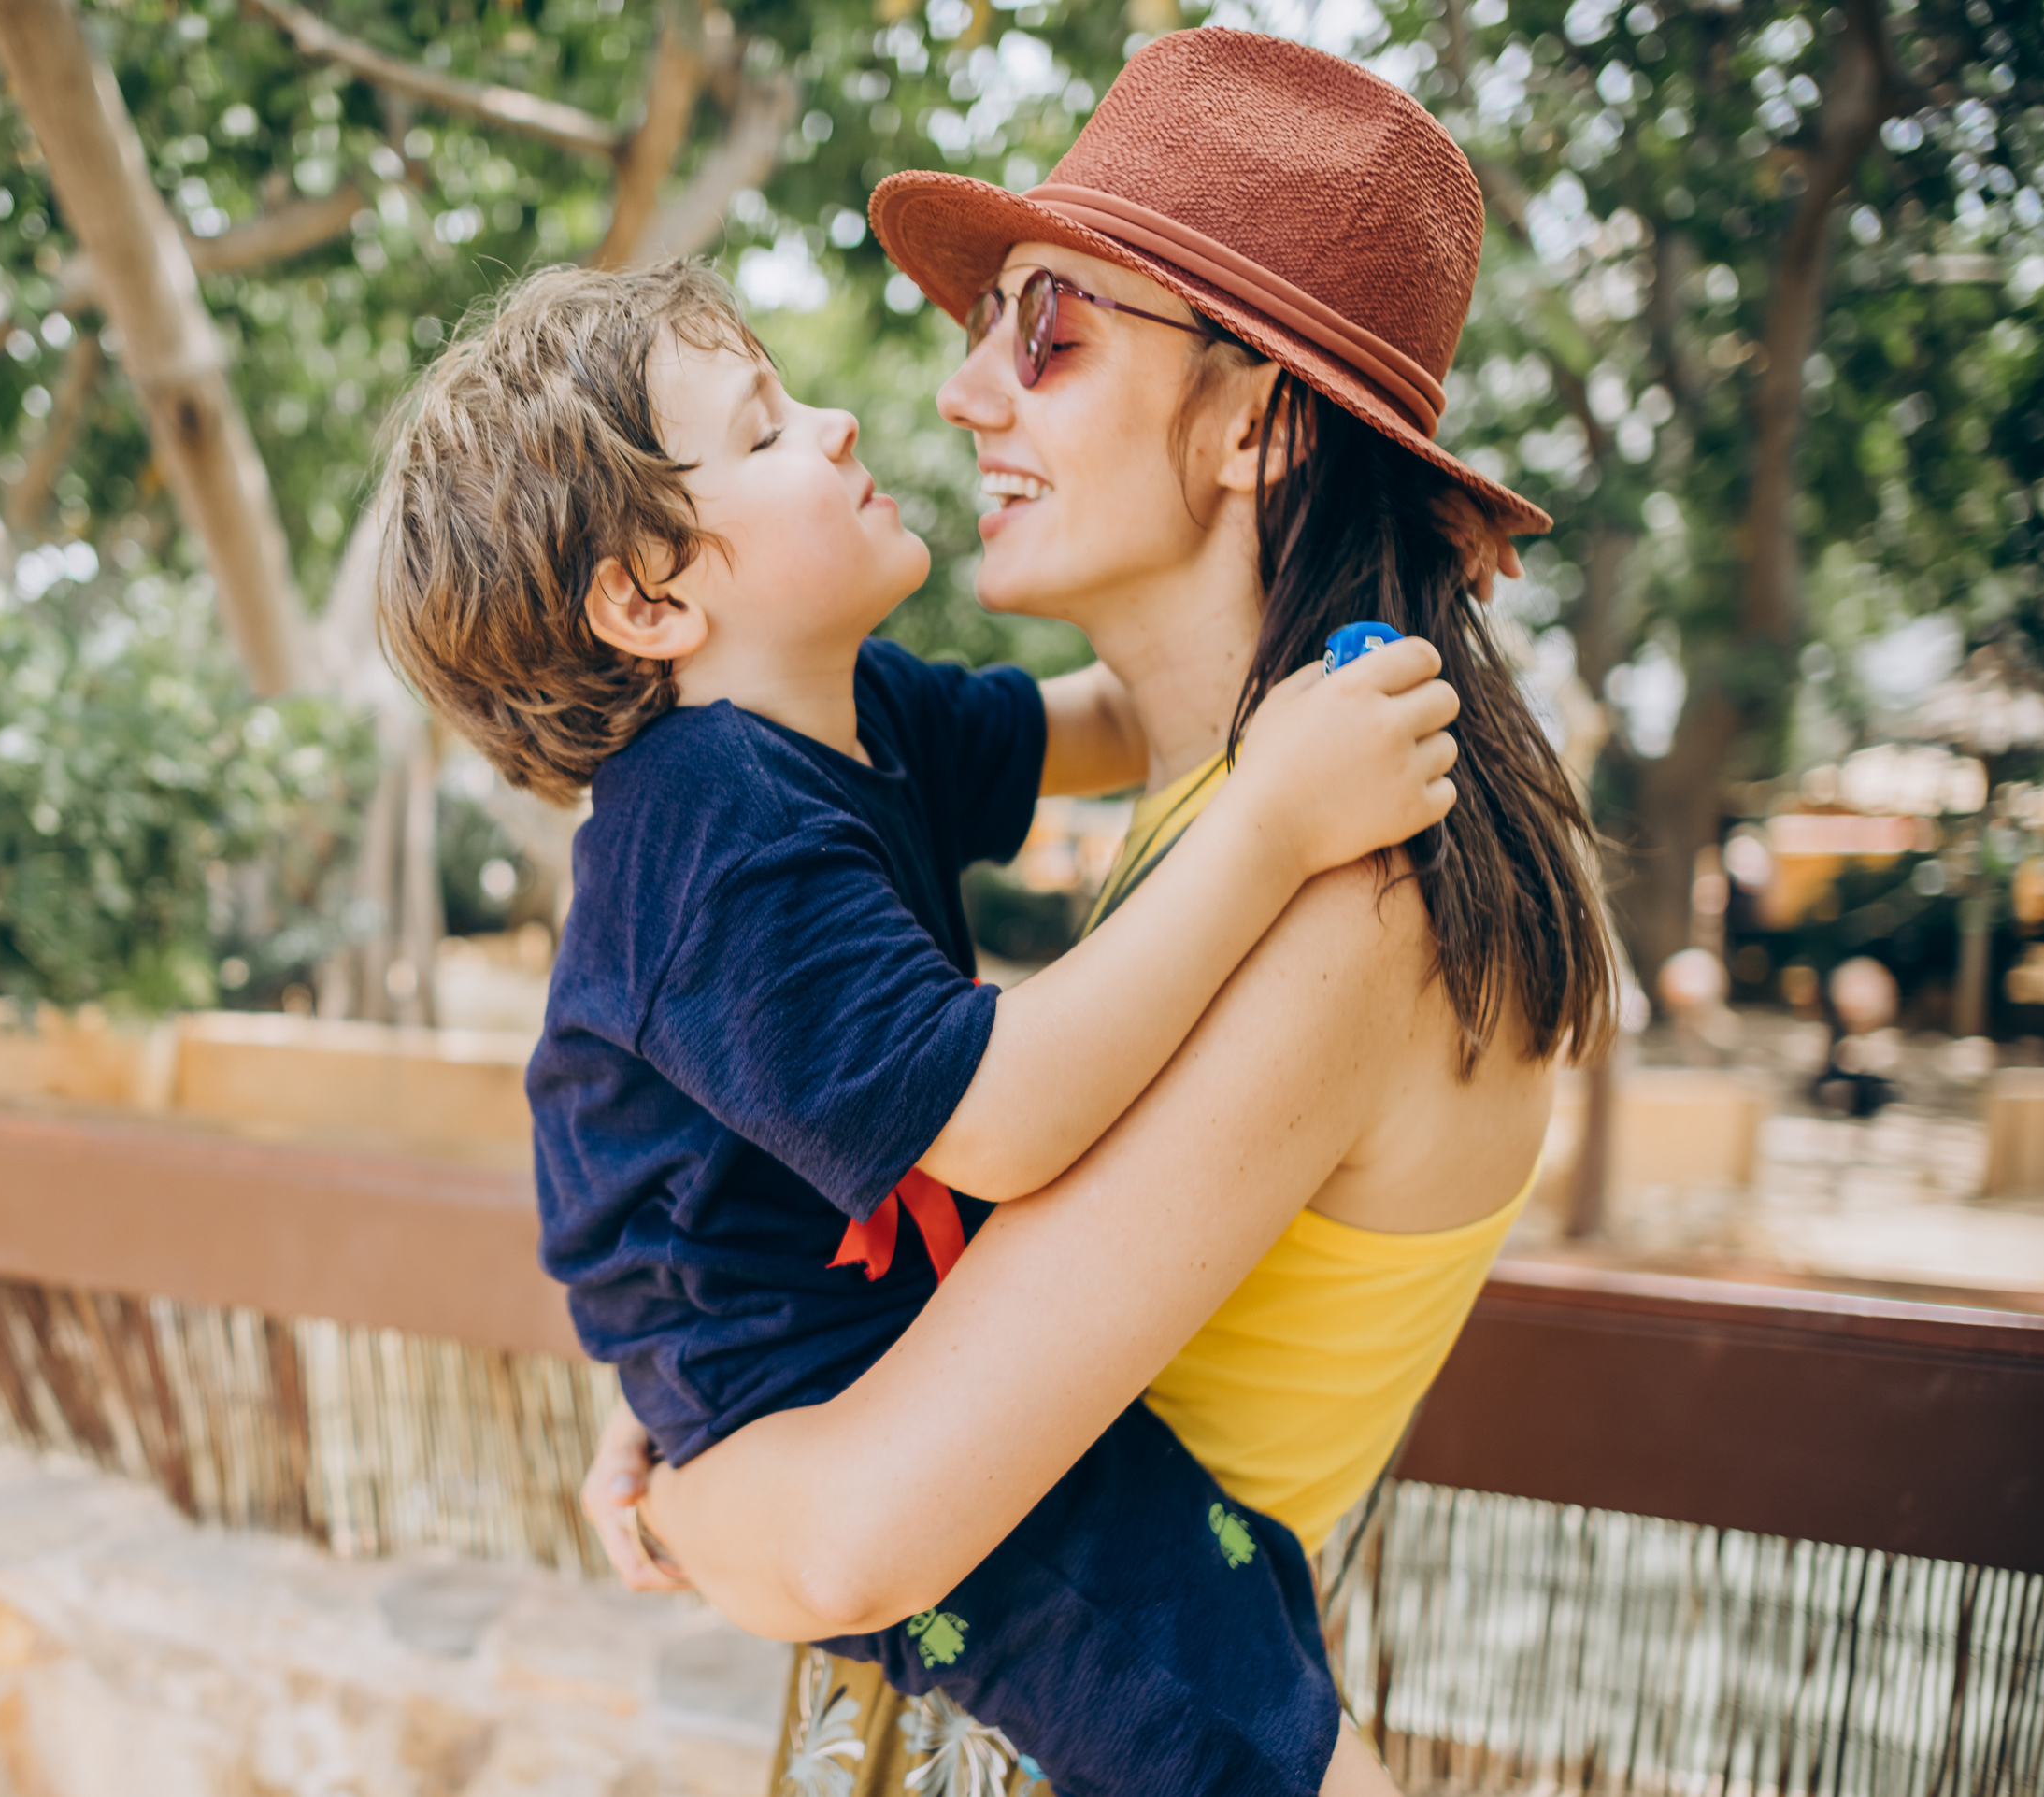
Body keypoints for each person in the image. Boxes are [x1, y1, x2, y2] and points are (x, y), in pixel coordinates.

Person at [578, 29, 1618, 1796]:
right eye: (985, 330)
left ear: (1261, 422)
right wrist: (726, 1360)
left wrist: (696, 1481)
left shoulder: (1345, 888)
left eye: (1047, 331)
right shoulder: (1240, 824)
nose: (968, 392)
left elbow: (849, 1544)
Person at [372, 252, 1461, 1797]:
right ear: (650, 597)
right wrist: (1274, 822)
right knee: (1194, 1690)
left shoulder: (858, 710)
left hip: (861, 1339)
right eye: (762, 432)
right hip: (782, 1378)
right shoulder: (706, 828)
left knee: (1228, 1615)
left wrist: (1383, 573)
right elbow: (1007, 1119)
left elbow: (1102, 720)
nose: (837, 423)